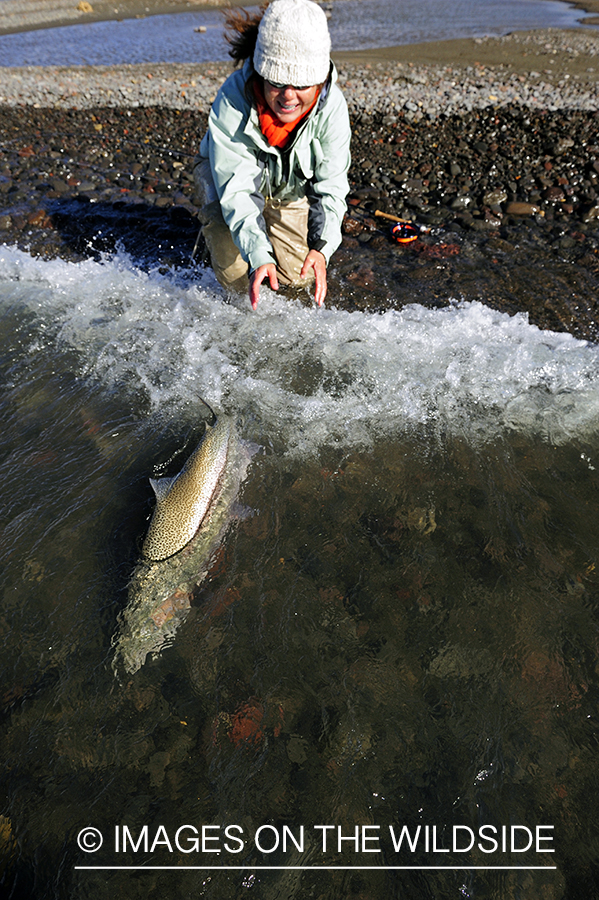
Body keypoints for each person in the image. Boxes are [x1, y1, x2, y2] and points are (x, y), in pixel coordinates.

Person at [193, 0, 351, 310]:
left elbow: (331, 188)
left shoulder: (332, 108)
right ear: (262, 73)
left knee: (298, 279)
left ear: (318, 80)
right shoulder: (233, 98)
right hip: (227, 180)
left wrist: (322, 248)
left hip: (287, 188)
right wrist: (258, 256)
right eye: (277, 83)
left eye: (303, 84)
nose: (289, 96)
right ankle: (218, 246)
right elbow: (237, 190)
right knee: (239, 279)